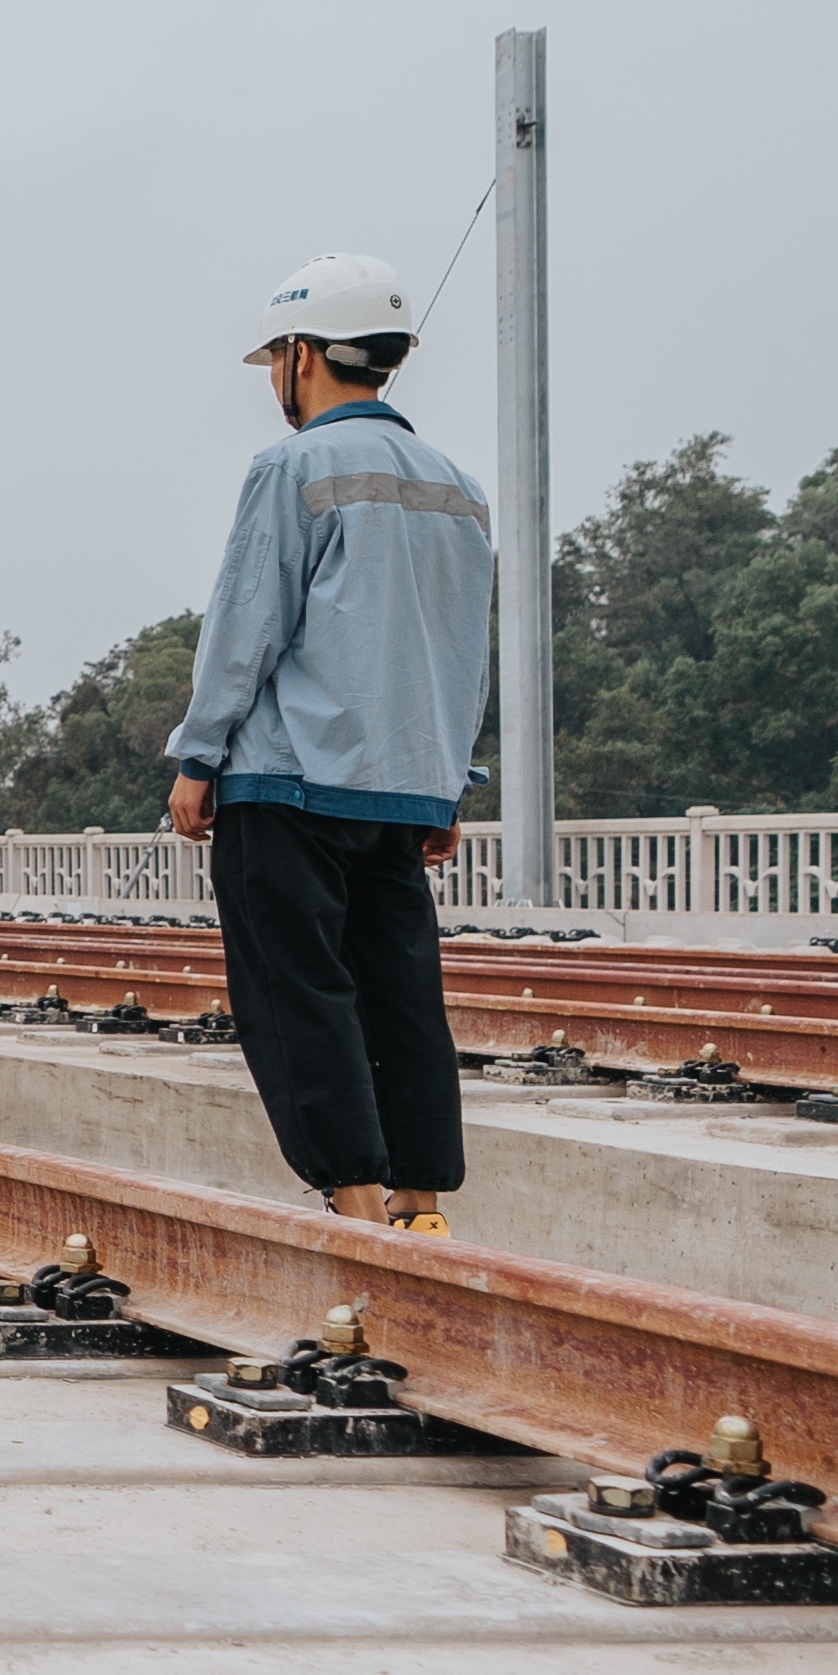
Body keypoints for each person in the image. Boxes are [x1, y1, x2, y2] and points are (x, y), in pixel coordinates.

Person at [158, 251, 499, 1225]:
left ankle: (351, 1199)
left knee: (298, 991)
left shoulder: (293, 467)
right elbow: (460, 649)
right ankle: (419, 1203)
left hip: (288, 782)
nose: (276, 376)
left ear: (303, 354)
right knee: (403, 994)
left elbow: (248, 622)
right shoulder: (458, 487)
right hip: (403, 789)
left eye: (277, 358)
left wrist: (198, 755)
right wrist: (446, 784)